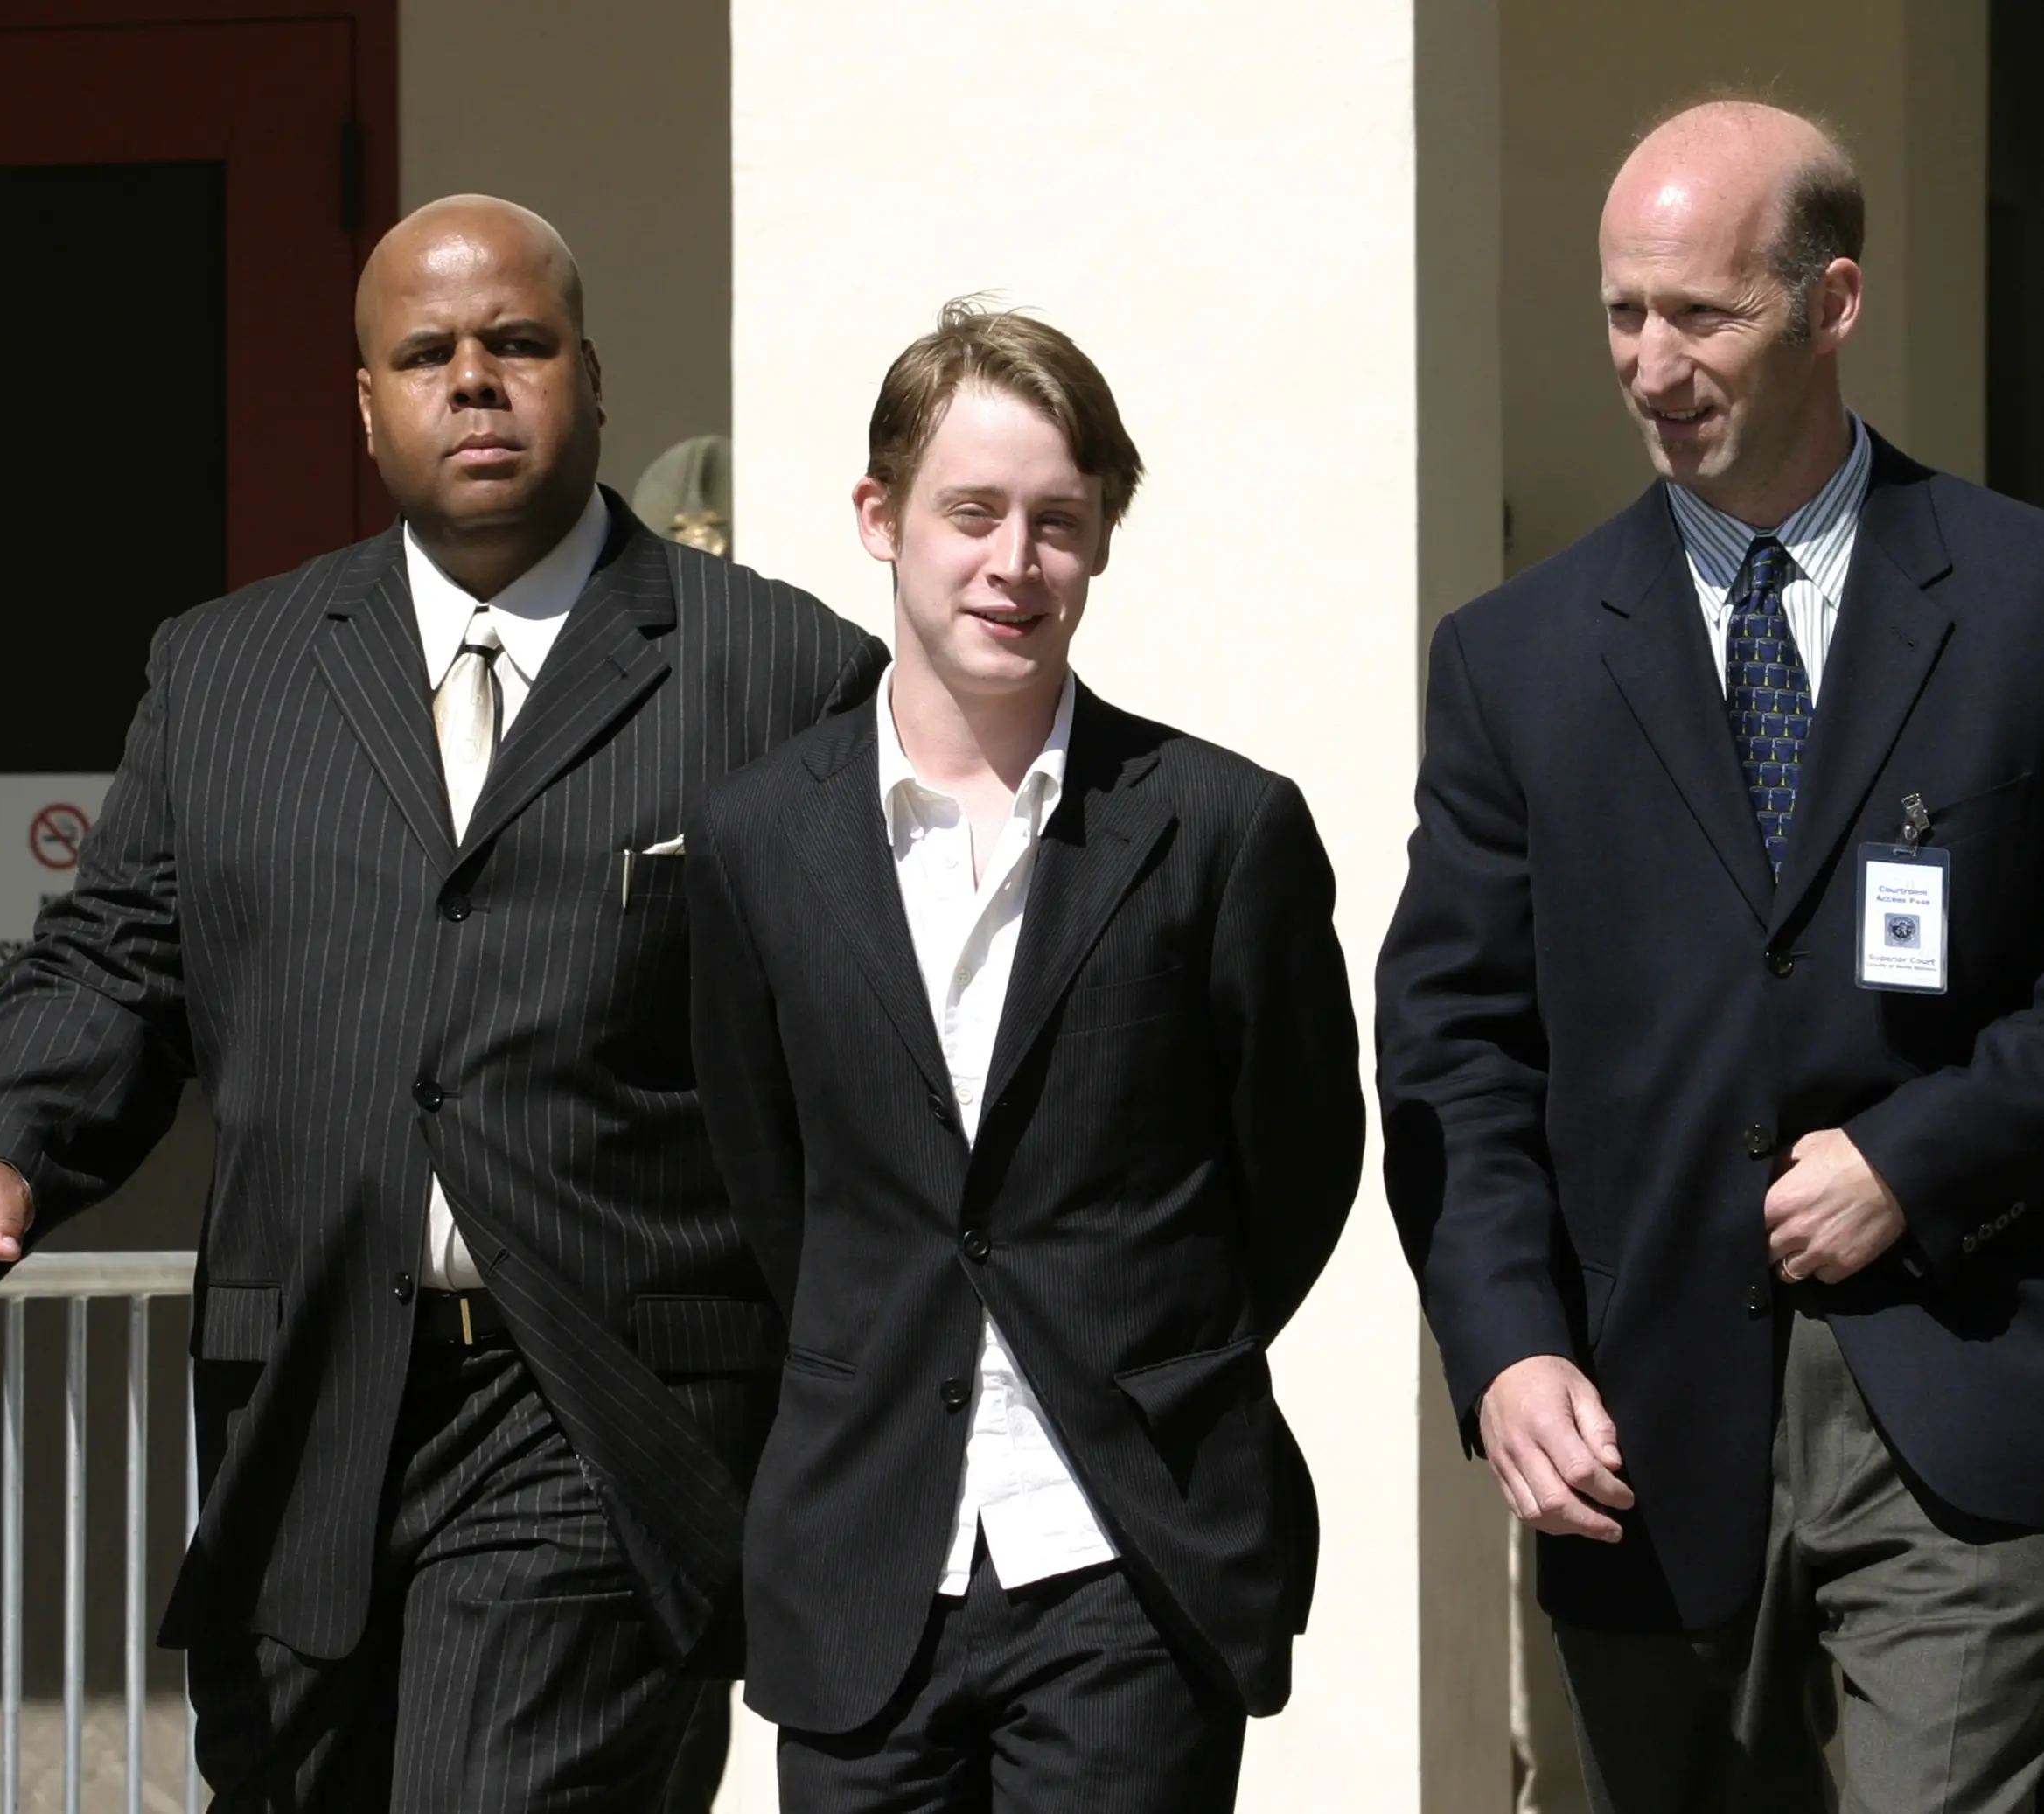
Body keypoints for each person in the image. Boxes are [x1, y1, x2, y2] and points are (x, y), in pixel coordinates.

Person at [0, 194, 884, 1811]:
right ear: (365, 403)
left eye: (517, 344)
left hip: (604, 1413)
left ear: (593, 373)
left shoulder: (779, 674)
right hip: (302, 1406)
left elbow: (866, 1052)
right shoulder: (229, 673)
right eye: (428, 354)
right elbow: (114, 956)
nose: (474, 380)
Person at [1378, 100, 2044, 1813]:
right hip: (1634, 1415)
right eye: (1620, 312)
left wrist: (1916, 1151)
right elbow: (1452, 1042)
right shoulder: (1510, 663)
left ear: (1829, 303)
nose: (1649, 363)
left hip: (1952, 1380)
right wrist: (1507, 1344)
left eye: (1699, 314)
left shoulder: (2018, 594)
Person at [687, 303, 1363, 1811]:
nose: (1015, 563)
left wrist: (1146, 1334)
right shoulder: (754, 841)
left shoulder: (1221, 828)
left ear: (1103, 542)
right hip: (866, 1558)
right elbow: (764, 1180)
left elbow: (1299, 1167)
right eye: (973, 512)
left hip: (1128, 1550)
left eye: (1059, 521)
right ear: (880, 519)